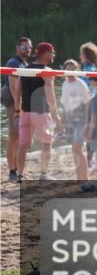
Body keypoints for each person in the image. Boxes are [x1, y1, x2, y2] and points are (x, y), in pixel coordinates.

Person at [14, 42, 60, 181]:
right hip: (41, 112)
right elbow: (50, 94)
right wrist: (55, 113)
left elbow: (17, 91)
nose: (53, 55)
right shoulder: (47, 71)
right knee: (46, 143)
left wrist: (17, 110)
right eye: (52, 53)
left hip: (25, 113)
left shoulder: (24, 69)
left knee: (23, 145)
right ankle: (43, 174)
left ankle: (19, 175)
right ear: (45, 53)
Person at [2, 37, 31, 182]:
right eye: (25, 47)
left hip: (19, 101)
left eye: (29, 47)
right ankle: (12, 171)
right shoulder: (13, 62)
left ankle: (17, 168)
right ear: (17, 48)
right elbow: (14, 88)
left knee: (19, 136)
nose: (28, 49)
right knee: (14, 134)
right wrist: (18, 109)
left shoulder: (25, 64)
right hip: (11, 99)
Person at [60, 59, 91, 188]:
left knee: (77, 149)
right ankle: (79, 177)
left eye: (73, 69)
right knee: (74, 150)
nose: (70, 71)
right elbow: (64, 104)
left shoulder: (81, 84)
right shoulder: (64, 84)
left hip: (80, 119)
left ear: (77, 70)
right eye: (68, 69)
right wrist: (62, 121)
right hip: (70, 120)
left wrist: (87, 122)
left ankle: (85, 179)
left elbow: (88, 103)